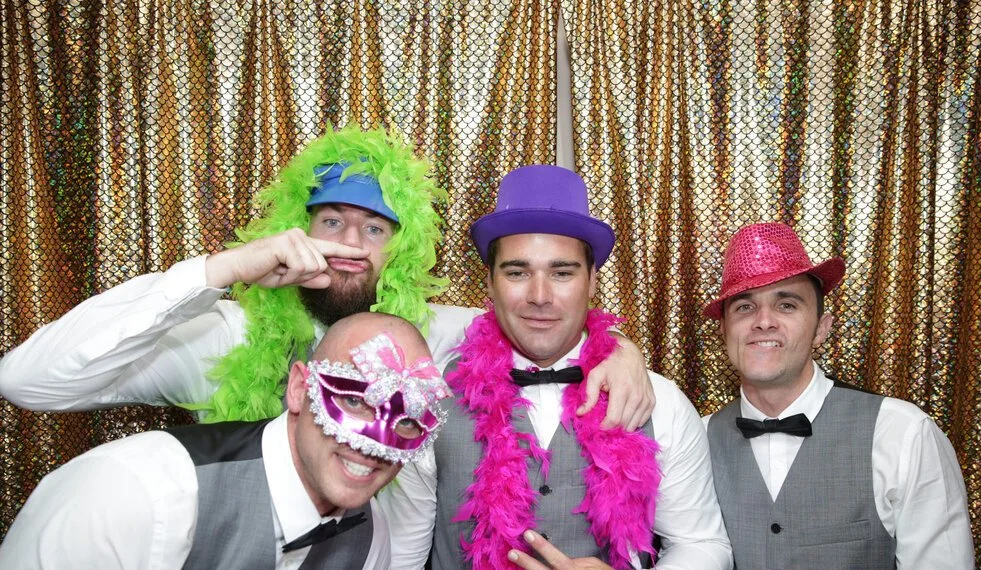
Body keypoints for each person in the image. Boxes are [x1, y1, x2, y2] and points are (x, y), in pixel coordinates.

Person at [0, 124, 652, 428]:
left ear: (400, 249)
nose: (348, 246)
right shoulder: (220, 339)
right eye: (331, 221)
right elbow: (26, 380)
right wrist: (223, 269)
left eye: (373, 229)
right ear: (293, 226)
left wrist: (617, 349)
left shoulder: (438, 339)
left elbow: (542, 325)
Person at [370, 165, 732, 570]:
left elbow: (705, 548)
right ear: (490, 285)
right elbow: (398, 569)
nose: (539, 295)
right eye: (517, 271)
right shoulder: (429, 398)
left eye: (562, 272)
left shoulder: (659, 402)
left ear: (590, 281)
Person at [0, 312, 452, 570]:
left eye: (408, 419)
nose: (377, 442)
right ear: (299, 389)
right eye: (353, 400)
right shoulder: (136, 497)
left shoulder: (366, 543)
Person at [698, 222, 981, 570]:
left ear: (821, 327)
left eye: (787, 304)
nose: (764, 321)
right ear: (724, 330)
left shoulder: (901, 434)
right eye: (744, 307)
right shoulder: (694, 441)